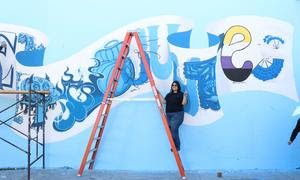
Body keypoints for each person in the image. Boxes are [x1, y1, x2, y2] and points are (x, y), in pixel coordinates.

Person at [158, 80, 188, 151]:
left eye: (175, 85)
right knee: (171, 130)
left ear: (178, 86)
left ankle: (177, 146)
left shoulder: (181, 94)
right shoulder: (169, 95)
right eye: (173, 85)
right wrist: (159, 93)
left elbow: (184, 103)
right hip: (169, 115)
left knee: (174, 129)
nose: (174, 86)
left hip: (178, 115)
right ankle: (175, 145)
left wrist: (185, 96)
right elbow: (164, 102)